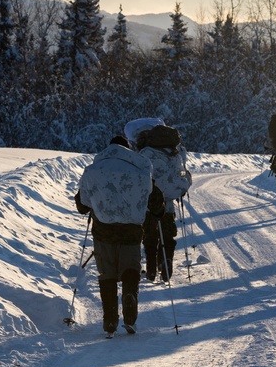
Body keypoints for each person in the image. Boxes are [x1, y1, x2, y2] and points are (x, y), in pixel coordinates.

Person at [74, 135, 160, 337]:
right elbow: (154, 200)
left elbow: (82, 205)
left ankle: (110, 321)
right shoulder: (140, 169)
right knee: (131, 270)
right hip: (131, 230)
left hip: (103, 231)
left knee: (108, 275)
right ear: (127, 149)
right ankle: (130, 310)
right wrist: (158, 211)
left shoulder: (94, 169)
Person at [136, 123, 192, 282]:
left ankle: (151, 267)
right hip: (167, 203)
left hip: (150, 202)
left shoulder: (145, 152)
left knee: (149, 234)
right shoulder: (176, 152)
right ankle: (166, 261)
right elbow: (182, 173)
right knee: (168, 233)